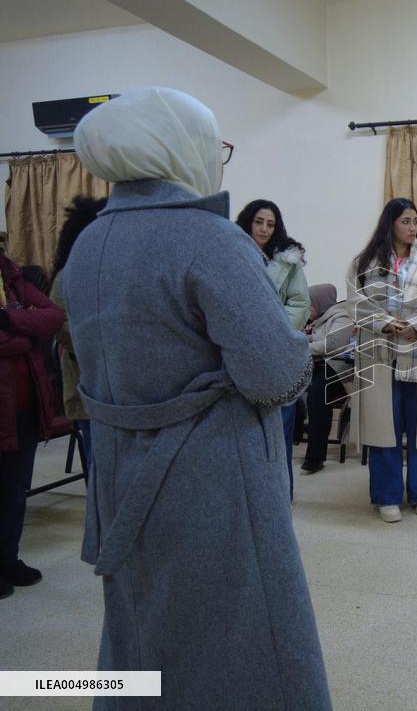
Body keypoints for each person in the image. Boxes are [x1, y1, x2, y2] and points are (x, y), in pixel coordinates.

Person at [62, 87, 331, 709]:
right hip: (209, 475)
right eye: (217, 147)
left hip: (120, 472)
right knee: (242, 638)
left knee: (140, 628)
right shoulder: (210, 238)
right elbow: (273, 375)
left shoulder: (88, 245)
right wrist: (296, 343)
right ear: (178, 149)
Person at [347, 198, 417, 523]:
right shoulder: (365, 263)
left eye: (415, 222)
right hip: (380, 351)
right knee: (384, 425)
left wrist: (416, 325)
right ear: (390, 223)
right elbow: (354, 301)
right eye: (406, 221)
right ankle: (387, 495)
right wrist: (385, 323)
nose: (412, 228)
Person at [0, 248, 64, 600]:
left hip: (24, 407)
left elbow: (53, 316)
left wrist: (11, 321)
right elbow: (34, 331)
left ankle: (8, 559)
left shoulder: (12, 276)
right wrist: (27, 336)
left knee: (15, 487)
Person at [235, 199, 309, 498]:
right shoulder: (231, 253)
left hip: (277, 350)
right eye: (259, 222)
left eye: (270, 223)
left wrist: (274, 333)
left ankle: (281, 495)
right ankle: (247, 497)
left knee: (280, 428)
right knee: (244, 431)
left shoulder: (288, 260)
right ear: (247, 222)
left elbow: (300, 303)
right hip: (239, 349)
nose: (264, 229)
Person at [49, 195, 107, 471]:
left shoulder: (110, 268)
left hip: (117, 388)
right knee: (99, 466)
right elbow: (60, 324)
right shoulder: (68, 275)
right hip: (89, 384)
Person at [301, 283, 352, 473]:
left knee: (317, 394)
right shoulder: (320, 320)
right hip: (318, 366)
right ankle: (295, 434)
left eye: (310, 305)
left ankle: (315, 457)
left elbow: (332, 345)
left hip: (337, 370)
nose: (307, 309)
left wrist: (301, 347)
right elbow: (315, 341)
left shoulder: (341, 317)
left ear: (321, 303)